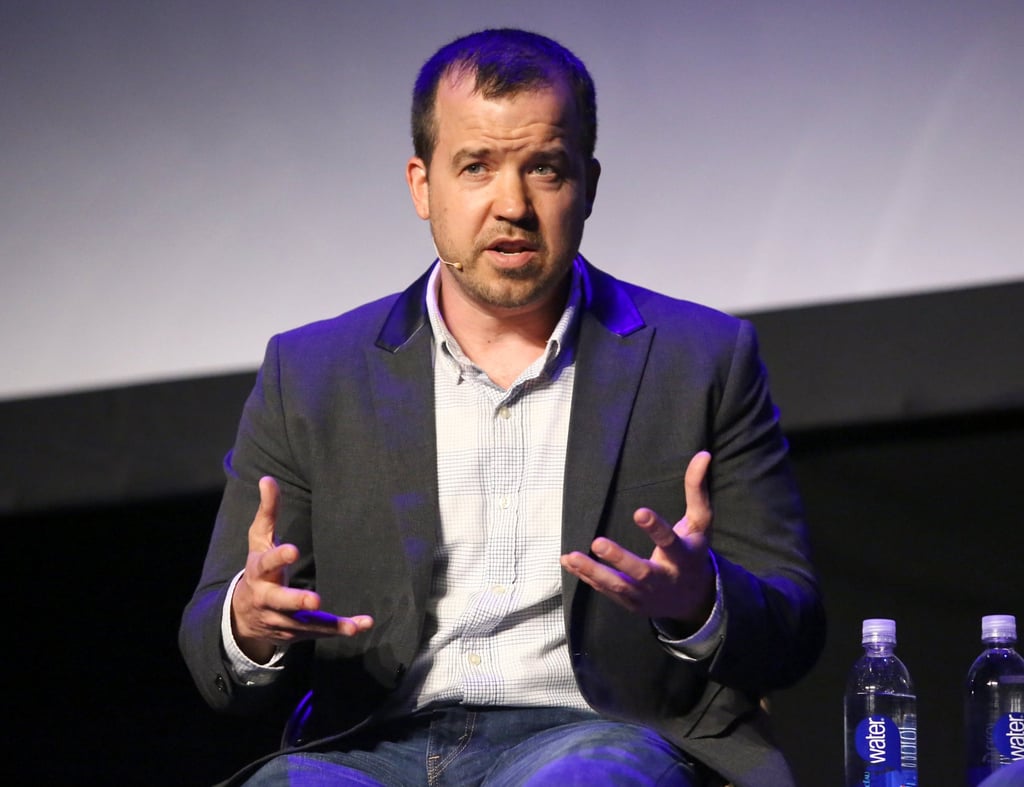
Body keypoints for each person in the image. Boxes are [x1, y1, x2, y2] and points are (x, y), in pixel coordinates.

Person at [180, 28, 825, 787]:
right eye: (476, 167)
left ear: (587, 183)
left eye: (544, 168)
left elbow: (793, 624)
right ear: (423, 186)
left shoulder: (702, 359)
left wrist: (699, 600)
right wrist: (248, 623)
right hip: (368, 745)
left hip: (596, 737)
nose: (512, 205)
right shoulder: (312, 373)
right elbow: (211, 642)